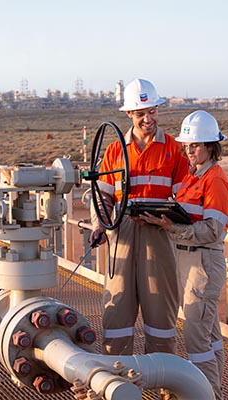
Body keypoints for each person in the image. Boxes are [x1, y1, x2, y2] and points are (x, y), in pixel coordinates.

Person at [140, 110, 228, 400]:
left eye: (194, 146)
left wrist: (172, 227)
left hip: (203, 262)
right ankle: (214, 393)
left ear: (210, 146)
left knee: (197, 340)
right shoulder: (195, 178)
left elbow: (213, 231)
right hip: (190, 261)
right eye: (186, 146)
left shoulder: (214, 180)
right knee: (210, 336)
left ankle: (203, 394)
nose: (188, 151)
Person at [89, 78, 189, 356]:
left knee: (161, 320)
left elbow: (185, 197)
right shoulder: (114, 151)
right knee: (116, 315)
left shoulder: (173, 148)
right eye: (141, 113)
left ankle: (165, 387)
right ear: (130, 114)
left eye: (153, 111)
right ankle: (119, 384)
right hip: (121, 236)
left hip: (159, 235)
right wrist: (100, 226)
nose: (148, 119)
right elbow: (102, 196)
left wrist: (168, 218)